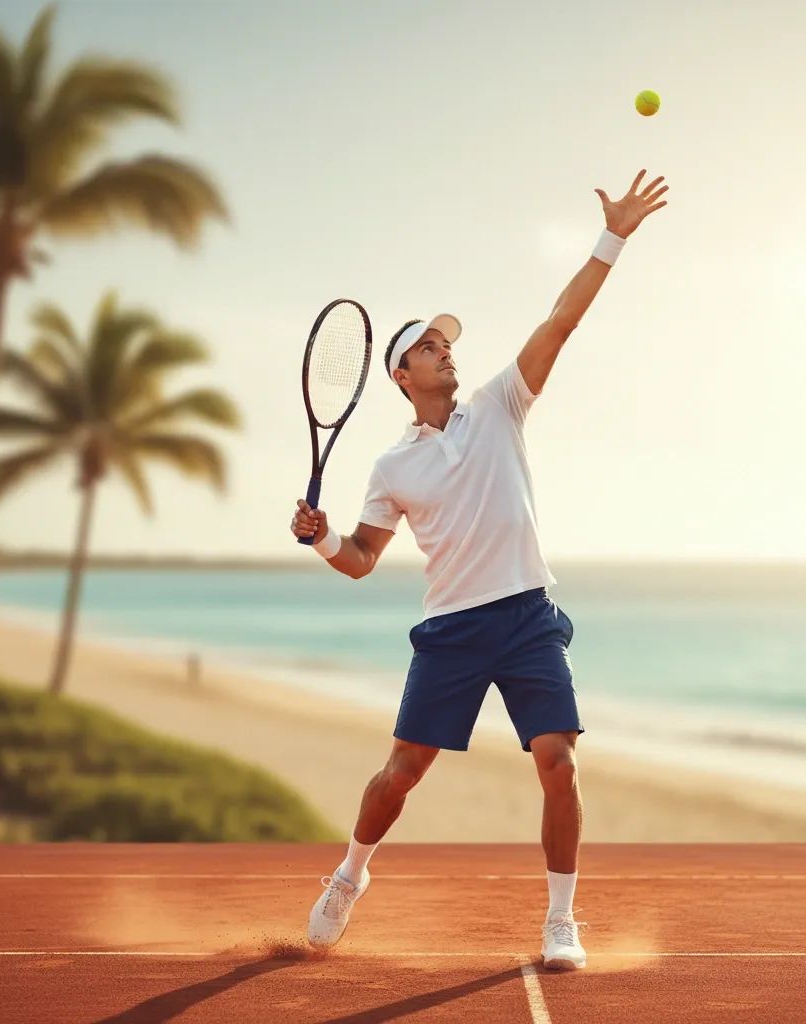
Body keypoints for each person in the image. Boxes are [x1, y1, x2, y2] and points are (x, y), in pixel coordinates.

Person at [290, 169, 668, 970]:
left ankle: (560, 920)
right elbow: (360, 559)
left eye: (448, 343)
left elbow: (559, 322)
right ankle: (350, 875)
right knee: (399, 777)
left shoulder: (500, 403)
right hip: (453, 632)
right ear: (402, 374)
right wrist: (323, 540)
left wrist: (614, 237)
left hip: (529, 617)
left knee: (559, 761)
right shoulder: (392, 466)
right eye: (430, 346)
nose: (446, 351)